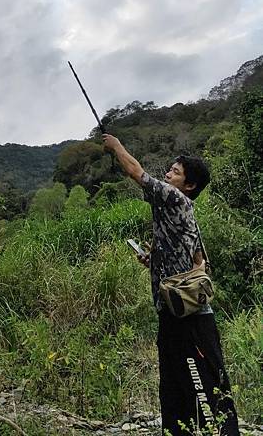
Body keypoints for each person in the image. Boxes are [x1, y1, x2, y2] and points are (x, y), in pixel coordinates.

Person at [102, 133, 239, 436]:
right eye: (170, 170)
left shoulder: (176, 198)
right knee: (175, 381)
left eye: (175, 172)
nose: (167, 174)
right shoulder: (176, 210)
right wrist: (153, 261)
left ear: (188, 186)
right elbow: (196, 256)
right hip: (172, 309)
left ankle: (219, 431)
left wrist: (116, 146)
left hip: (188, 315)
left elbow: (137, 173)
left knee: (200, 379)